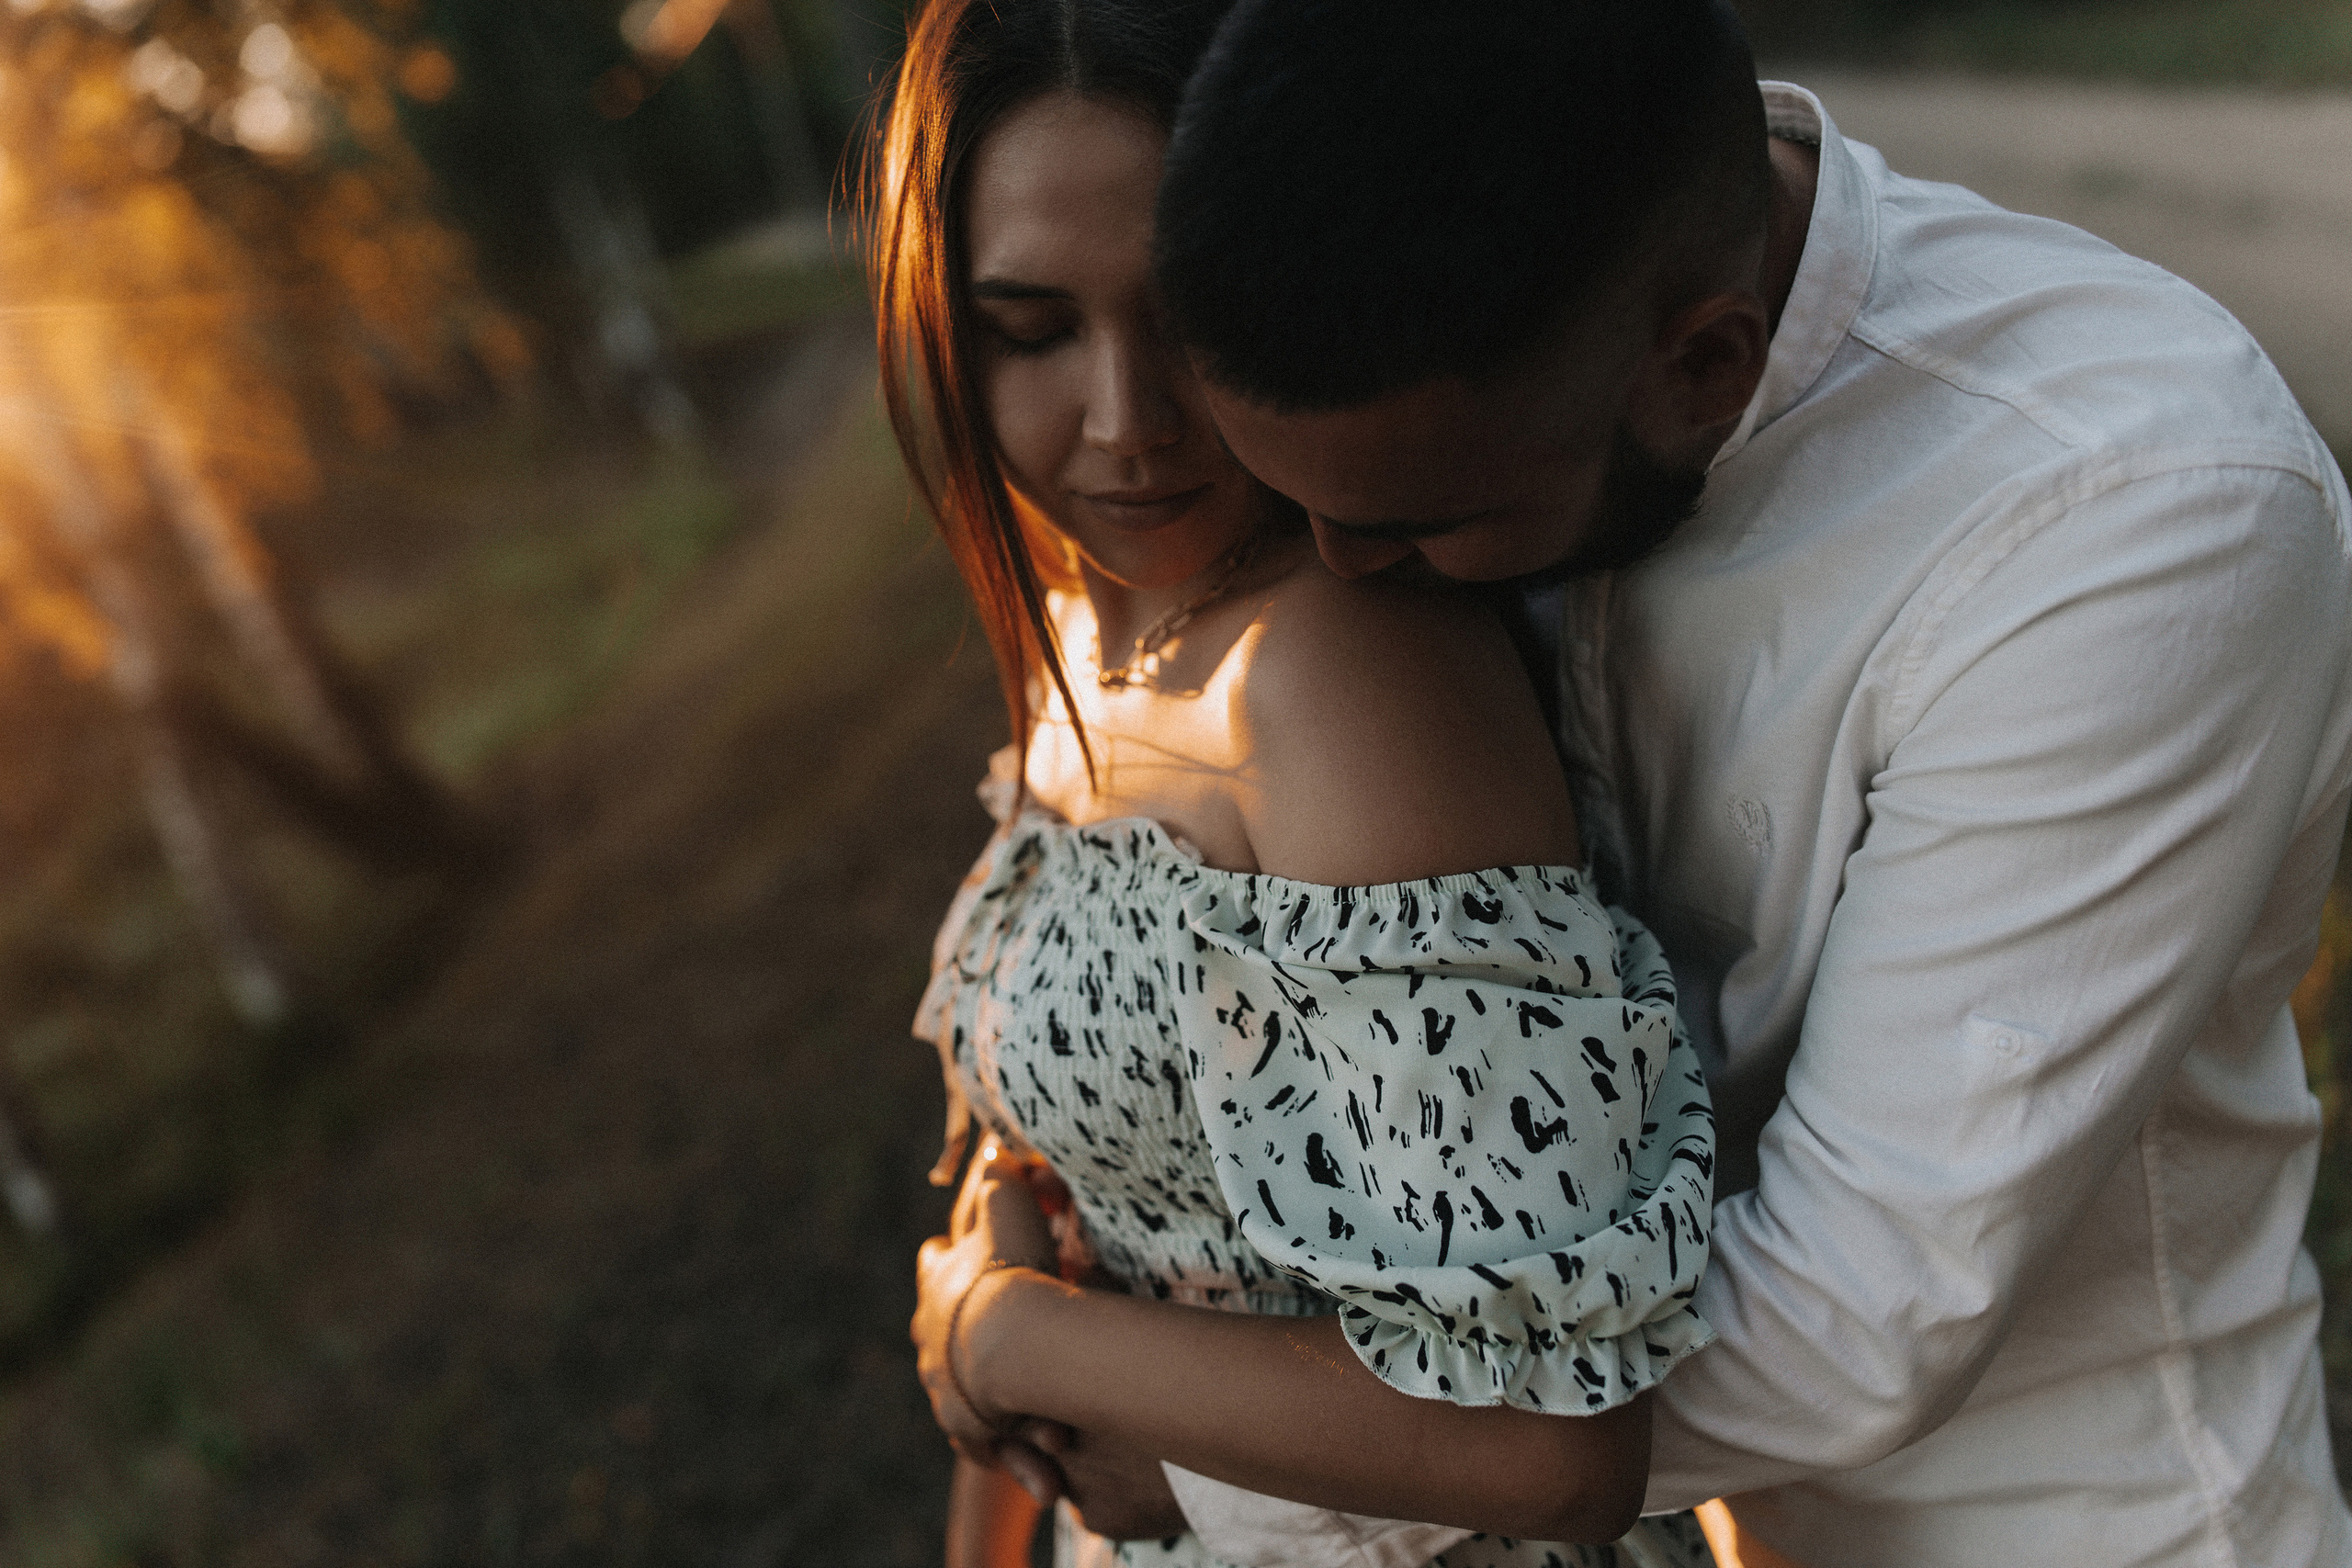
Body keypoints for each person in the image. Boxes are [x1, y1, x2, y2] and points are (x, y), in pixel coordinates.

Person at [928, 1, 2352, 1564]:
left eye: (1418, 529)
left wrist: (1195, 1453)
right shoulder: (1465, 348)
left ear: (1702, 370)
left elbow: (1854, 1311)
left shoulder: (2129, 516)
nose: (1340, 567)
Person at [866, 2, 1726, 1565]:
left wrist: (1006, 1341)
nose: (1125, 427)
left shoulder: (1345, 677)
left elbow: (1549, 1448)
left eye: (1182, 317)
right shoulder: (1086, 615)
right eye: (1031, 329)